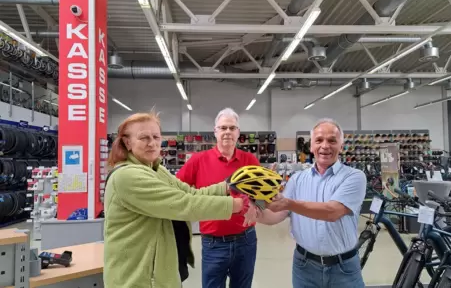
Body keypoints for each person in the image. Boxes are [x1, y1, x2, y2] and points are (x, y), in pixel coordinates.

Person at [103, 111, 251, 288]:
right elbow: (183, 204)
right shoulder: (127, 176)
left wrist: (227, 187)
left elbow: (190, 193)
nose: (152, 143)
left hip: (158, 274)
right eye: (144, 138)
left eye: (156, 137)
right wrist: (234, 205)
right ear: (127, 142)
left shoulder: (157, 170)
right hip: (137, 279)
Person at [245, 118, 367, 288]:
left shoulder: (354, 177)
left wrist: (288, 203)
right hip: (304, 267)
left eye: (332, 140)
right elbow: (275, 214)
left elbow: (332, 212)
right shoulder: (297, 179)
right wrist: (255, 200)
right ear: (311, 146)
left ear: (341, 145)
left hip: (344, 268)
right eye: (319, 140)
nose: (325, 146)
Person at [176, 107, 260, 288]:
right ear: (215, 131)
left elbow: (262, 194)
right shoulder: (197, 161)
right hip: (213, 243)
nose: (227, 132)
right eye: (223, 128)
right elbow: (177, 190)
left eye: (232, 128)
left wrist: (256, 205)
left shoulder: (250, 160)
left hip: (245, 240)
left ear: (238, 133)